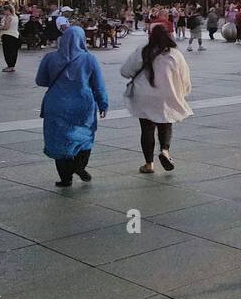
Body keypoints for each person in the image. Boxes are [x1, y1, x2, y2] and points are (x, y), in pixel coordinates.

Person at [35, 25, 110, 188]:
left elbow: (40, 81)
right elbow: (98, 85)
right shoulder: (89, 59)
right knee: (85, 137)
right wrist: (103, 103)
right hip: (82, 105)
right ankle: (79, 166)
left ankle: (65, 178)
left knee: (58, 139)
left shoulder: (50, 57)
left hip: (56, 104)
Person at [122, 23, 193, 174]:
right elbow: (184, 77)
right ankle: (165, 151)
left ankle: (149, 164)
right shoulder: (175, 54)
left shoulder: (143, 50)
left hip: (144, 95)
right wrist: (184, 92)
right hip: (166, 95)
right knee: (166, 123)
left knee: (147, 129)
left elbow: (125, 71)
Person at [0, 4, 21, 74]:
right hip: (14, 35)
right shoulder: (15, 16)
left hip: (8, 35)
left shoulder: (8, 17)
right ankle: (10, 66)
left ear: (8, 10)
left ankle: (10, 66)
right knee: (13, 52)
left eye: (4, 11)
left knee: (8, 52)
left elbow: (6, 27)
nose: (3, 12)